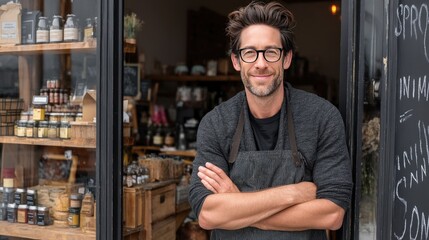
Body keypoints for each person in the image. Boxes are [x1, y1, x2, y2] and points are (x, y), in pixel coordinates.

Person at [188, 1, 353, 239]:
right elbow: (208, 214)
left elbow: (332, 214)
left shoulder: (322, 117)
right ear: (237, 61)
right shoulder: (216, 124)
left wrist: (237, 205)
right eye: (250, 52)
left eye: (271, 52)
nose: (261, 63)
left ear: (286, 59)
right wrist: (294, 194)